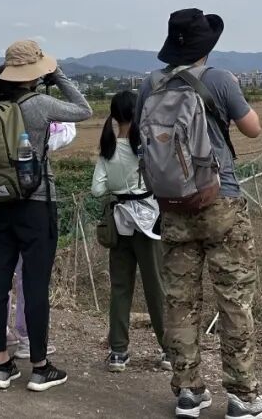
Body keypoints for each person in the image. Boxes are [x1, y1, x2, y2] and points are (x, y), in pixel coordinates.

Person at [136, 9, 262, 419]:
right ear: (205, 47)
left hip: (173, 206)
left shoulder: (150, 83)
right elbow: (253, 129)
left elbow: (137, 139)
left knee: (180, 300)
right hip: (220, 201)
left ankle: (188, 392)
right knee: (234, 299)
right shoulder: (218, 79)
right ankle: (243, 396)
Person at [0, 41, 92, 393]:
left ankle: (2, 365)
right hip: (36, 201)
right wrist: (57, 73)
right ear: (36, 72)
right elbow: (84, 109)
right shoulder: (40, 103)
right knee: (34, 283)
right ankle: (40, 367)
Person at [92, 91, 168, 372]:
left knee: (120, 288)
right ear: (138, 114)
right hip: (148, 225)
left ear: (113, 116)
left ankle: (118, 352)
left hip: (119, 223)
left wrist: (116, 189)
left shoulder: (108, 150)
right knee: (156, 288)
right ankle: (169, 350)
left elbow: (97, 189)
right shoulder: (146, 149)